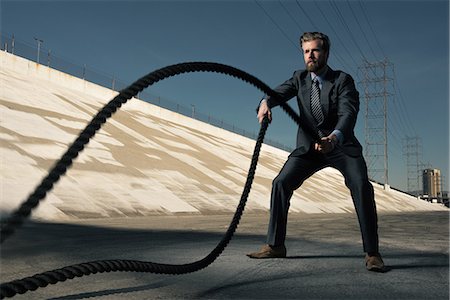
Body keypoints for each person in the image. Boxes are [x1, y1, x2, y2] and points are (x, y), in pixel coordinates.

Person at [247, 32, 384, 272]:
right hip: (309, 148)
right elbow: (275, 93)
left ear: (326, 53)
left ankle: (372, 253)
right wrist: (265, 102)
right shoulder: (299, 78)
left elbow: (348, 114)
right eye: (306, 51)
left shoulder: (342, 80)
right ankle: (276, 245)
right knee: (280, 183)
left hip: (341, 146)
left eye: (316, 50)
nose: (310, 55)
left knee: (361, 185)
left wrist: (333, 138)